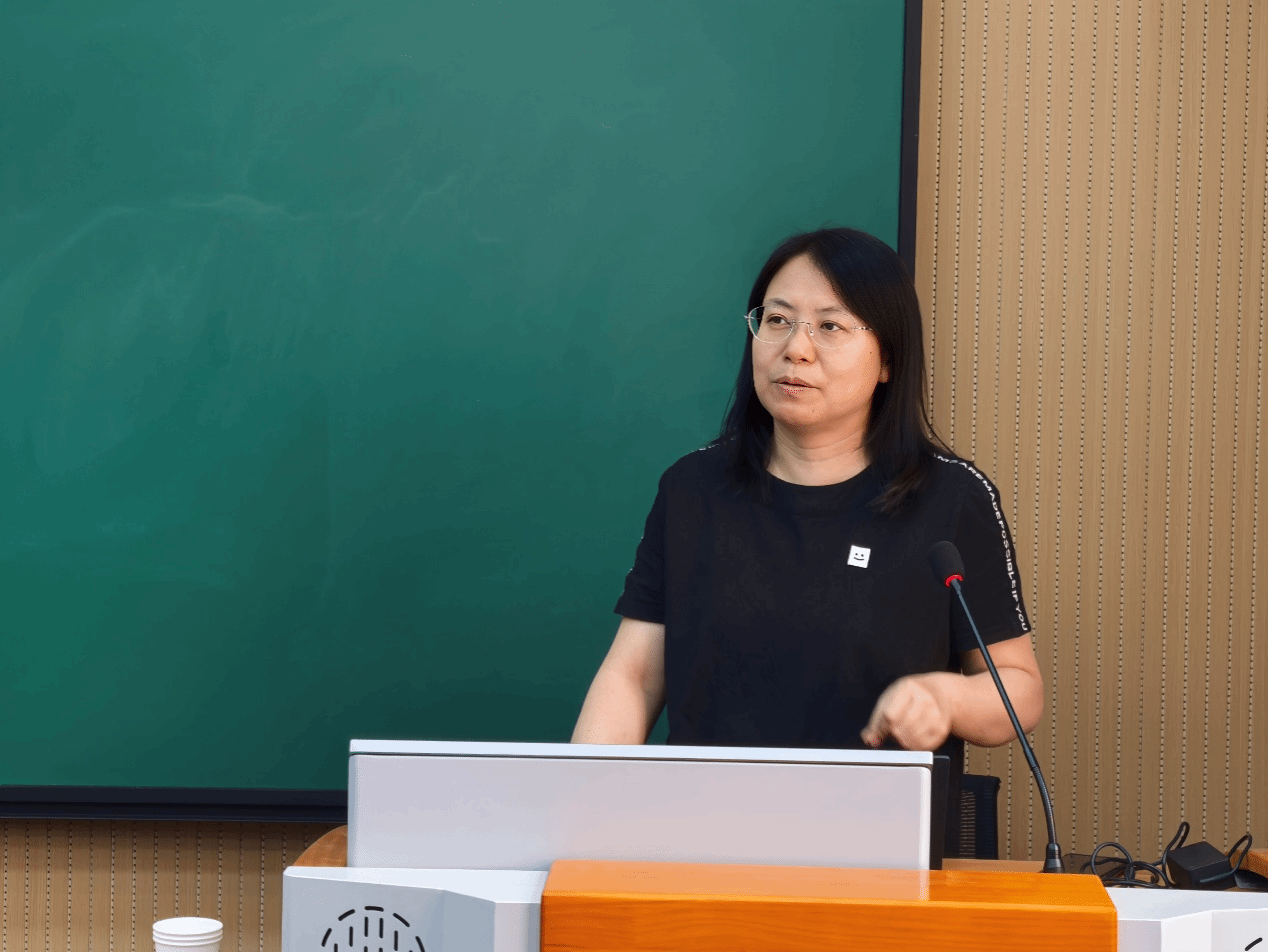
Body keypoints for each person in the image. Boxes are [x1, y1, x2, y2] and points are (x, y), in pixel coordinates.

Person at [571, 228, 1043, 820]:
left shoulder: (951, 498)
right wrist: (577, 808)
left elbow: (1018, 688)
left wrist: (945, 698)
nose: (796, 348)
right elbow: (634, 677)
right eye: (777, 320)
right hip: (698, 832)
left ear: (888, 359)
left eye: (830, 326)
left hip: (876, 839)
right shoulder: (693, 489)